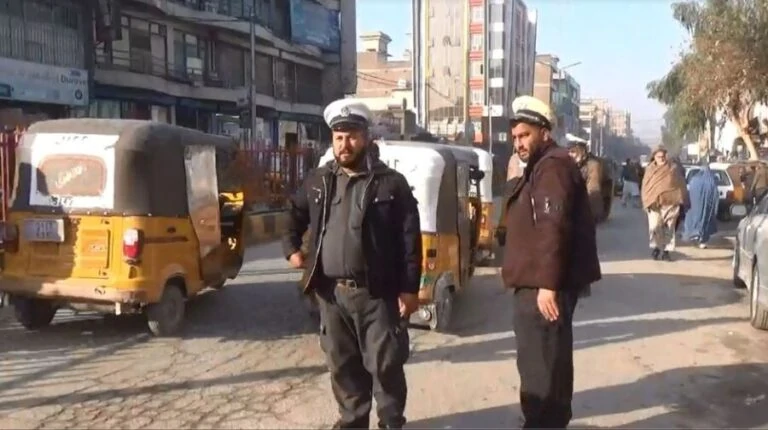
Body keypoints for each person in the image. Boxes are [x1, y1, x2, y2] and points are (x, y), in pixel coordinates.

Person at [282, 98, 422, 429]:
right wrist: (291, 249)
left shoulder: (391, 184)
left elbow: (409, 240)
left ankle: (390, 421)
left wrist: (409, 289)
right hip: (331, 294)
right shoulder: (318, 180)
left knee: (385, 365)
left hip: (377, 294)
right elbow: (293, 212)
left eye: (352, 136)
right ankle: (353, 421)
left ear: (366, 137)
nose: (345, 144)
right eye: (339, 137)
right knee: (342, 365)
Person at [501, 95, 601, 429]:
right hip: (538, 282)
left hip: (541, 288)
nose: (519, 143)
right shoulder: (542, 165)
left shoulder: (553, 167)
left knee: (541, 367)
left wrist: (547, 285)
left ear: (544, 133)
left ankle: (544, 423)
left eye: (525, 135)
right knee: (547, 363)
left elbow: (552, 226)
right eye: (515, 137)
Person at [641, 147, 688, 261]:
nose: (661, 159)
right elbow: (645, 187)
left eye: (663, 156)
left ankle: (666, 251)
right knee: (654, 227)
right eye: (659, 157)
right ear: (654, 157)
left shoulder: (673, 168)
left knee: (669, 228)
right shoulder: (650, 170)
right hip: (654, 204)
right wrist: (646, 201)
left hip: (671, 203)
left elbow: (680, 184)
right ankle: (656, 247)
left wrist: (681, 199)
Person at [565, 133, 604, 223]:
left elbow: (593, 189)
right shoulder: (566, 165)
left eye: (573, 152)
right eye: (569, 152)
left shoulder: (592, 165)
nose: (570, 155)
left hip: (586, 210)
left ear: (582, 151)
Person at [683, 162, 720, 249]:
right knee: (705, 221)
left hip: (695, 205)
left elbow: (690, 192)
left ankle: (695, 235)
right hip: (707, 205)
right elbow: (715, 194)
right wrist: (715, 206)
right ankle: (703, 241)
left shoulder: (694, 179)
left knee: (695, 219)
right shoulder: (712, 180)